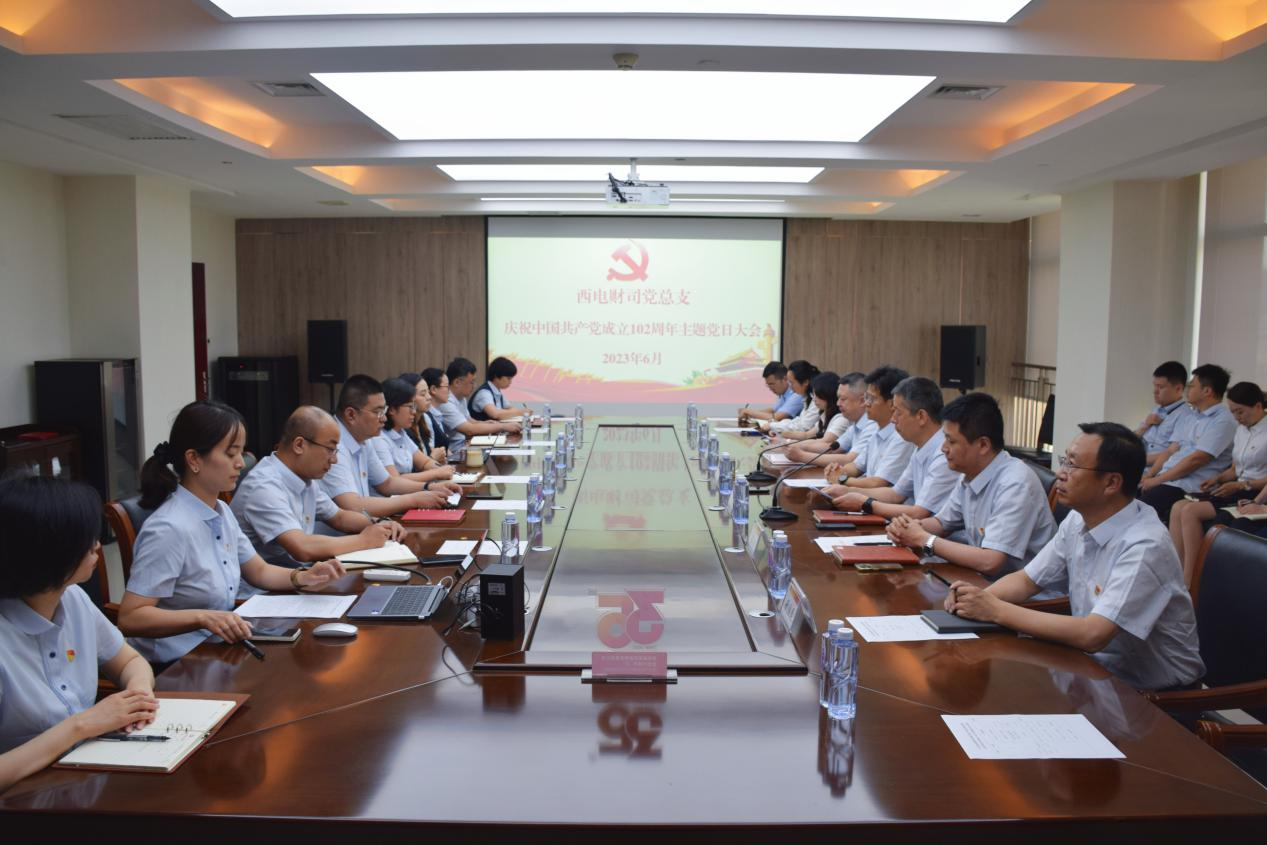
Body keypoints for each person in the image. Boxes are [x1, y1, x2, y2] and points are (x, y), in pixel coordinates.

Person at [944, 422, 1204, 692]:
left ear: (1112, 483)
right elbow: (1026, 580)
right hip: (1092, 672)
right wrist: (975, 600)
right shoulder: (1078, 521)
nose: (1060, 473)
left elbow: (1093, 634)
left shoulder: (1145, 545)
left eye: (1073, 465)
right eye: (1064, 460)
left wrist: (995, 610)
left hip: (1154, 695)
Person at [118, 401, 347, 667]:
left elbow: (259, 571)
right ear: (194, 459)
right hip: (176, 664)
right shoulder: (169, 528)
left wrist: (303, 577)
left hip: (218, 651)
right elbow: (131, 617)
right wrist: (202, 617)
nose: (240, 463)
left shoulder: (221, 511)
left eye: (240, 452)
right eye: (230, 454)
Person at [0, 476, 158, 791]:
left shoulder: (72, 598)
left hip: (85, 777)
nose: (97, 545)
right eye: (85, 538)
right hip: (26, 800)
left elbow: (129, 661)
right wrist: (81, 726)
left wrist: (138, 695)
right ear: (49, 552)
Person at [887, 392, 1057, 578]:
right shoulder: (969, 473)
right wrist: (908, 528)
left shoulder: (1015, 483)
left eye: (951, 441)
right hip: (982, 581)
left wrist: (923, 539)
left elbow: (990, 561)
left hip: (1021, 591)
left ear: (983, 445)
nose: (943, 448)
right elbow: (941, 523)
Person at [230, 405, 408, 568]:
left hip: (301, 576)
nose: (334, 460)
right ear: (299, 445)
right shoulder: (264, 486)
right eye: (330, 449)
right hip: (267, 588)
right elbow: (302, 547)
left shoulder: (304, 478)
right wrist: (365, 540)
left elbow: (339, 517)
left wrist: (380, 523)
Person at [1168, 381, 1267, 585]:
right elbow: (1235, 468)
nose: (1237, 418)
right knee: (1178, 507)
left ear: (1258, 406)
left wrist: (1243, 486)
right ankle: (1177, 572)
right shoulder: (1242, 430)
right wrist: (1218, 479)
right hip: (1237, 487)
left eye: (1241, 412)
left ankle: (1192, 579)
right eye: (1233, 413)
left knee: (1190, 511)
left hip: (1252, 490)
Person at [318, 375, 459, 518]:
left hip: (366, 524)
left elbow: (386, 483)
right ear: (351, 415)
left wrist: (429, 487)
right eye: (378, 412)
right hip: (350, 529)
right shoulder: (333, 446)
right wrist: (413, 500)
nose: (384, 418)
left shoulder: (364, 439)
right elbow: (353, 506)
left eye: (384, 411)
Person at [829, 376, 959, 519]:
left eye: (898, 412)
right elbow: (896, 494)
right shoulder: (921, 447)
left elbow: (920, 513)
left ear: (921, 416)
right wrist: (848, 491)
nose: (893, 419)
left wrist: (864, 502)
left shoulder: (944, 454)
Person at [1139, 364, 1237, 522]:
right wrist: (1149, 476)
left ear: (1207, 391)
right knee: (1123, 499)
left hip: (1188, 485)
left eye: (1192, 386)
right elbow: (1170, 451)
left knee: (1139, 510)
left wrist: (1157, 480)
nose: (1187, 390)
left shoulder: (1223, 421)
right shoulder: (1191, 417)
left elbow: (1196, 460)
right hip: (1167, 478)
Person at [821, 365, 915, 491]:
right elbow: (856, 466)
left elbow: (878, 483)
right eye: (866, 397)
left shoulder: (902, 437)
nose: (866, 403)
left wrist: (842, 479)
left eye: (872, 398)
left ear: (892, 403)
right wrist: (838, 470)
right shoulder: (877, 430)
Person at [372, 378, 458, 485]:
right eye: (410, 406)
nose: (413, 411)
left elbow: (425, 462)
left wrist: (444, 469)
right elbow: (394, 480)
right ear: (392, 409)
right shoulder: (380, 438)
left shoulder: (401, 433)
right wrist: (436, 473)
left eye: (414, 406)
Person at [786, 371, 877, 468]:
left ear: (862, 401)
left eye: (843, 399)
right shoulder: (855, 425)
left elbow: (850, 460)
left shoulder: (871, 425)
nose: (838, 403)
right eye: (838, 398)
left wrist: (802, 456)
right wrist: (795, 446)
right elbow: (831, 448)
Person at [436, 358, 522, 453]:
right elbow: (469, 429)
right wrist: (502, 426)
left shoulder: (461, 398)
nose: (475, 386)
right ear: (457, 382)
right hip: (455, 451)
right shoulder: (446, 402)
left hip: (466, 444)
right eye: (472, 382)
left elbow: (469, 421)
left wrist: (486, 423)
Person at [1135, 361, 1190, 460]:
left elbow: (1172, 454)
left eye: (1160, 387)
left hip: (1153, 467)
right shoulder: (1157, 409)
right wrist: (1145, 425)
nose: (1155, 391)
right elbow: (1132, 439)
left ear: (1178, 389)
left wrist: (1136, 461)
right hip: (1139, 461)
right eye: (1155, 386)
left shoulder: (1185, 416)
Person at [757, 360, 820, 437]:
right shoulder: (807, 397)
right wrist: (776, 426)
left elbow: (803, 427)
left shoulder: (817, 400)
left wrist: (773, 426)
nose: (790, 386)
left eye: (792, 382)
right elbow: (799, 421)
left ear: (805, 382)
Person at [400, 371, 446, 464]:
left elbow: (430, 454)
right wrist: (433, 458)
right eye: (423, 394)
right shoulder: (402, 426)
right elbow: (415, 467)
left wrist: (439, 456)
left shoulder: (426, 418)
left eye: (428, 392)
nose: (429, 397)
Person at [738, 361, 803, 424]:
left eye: (772, 384)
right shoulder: (784, 393)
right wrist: (749, 414)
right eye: (768, 385)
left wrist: (748, 412)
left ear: (785, 379)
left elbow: (776, 417)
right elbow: (773, 410)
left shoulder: (797, 394)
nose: (770, 388)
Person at [470, 356, 527, 422]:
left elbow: (511, 409)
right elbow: (495, 414)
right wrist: (520, 412)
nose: (510, 382)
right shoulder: (484, 393)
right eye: (508, 378)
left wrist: (512, 412)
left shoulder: (497, 392)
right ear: (496, 376)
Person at [420, 367, 454, 454]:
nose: (449, 391)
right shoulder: (425, 416)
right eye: (447, 386)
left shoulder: (436, 413)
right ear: (433, 389)